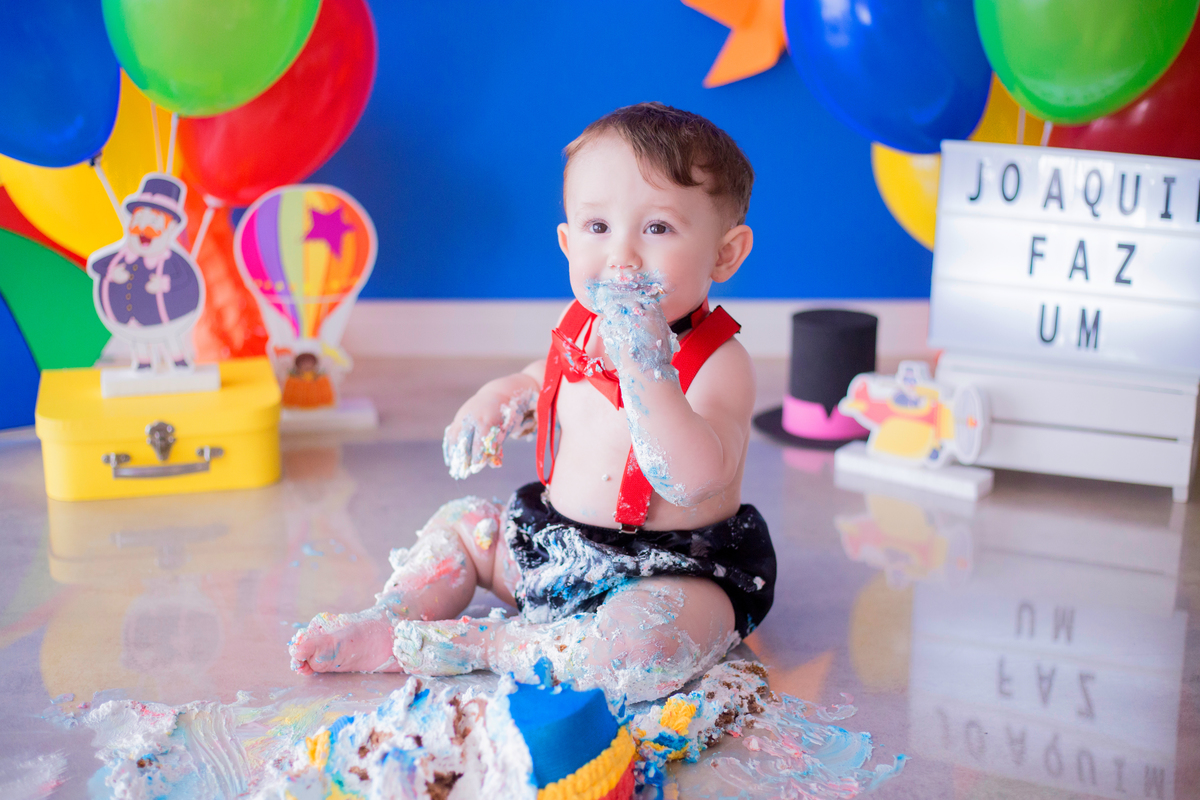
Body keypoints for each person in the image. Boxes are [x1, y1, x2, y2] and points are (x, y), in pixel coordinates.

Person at [288, 103, 776, 704]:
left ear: (725, 255)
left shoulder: (719, 362)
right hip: (553, 549)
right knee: (465, 527)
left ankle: (483, 647)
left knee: (645, 647)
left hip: (667, 573)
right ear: (569, 243)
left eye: (657, 229)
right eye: (598, 229)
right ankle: (393, 618)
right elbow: (537, 378)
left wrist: (649, 369)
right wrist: (498, 401)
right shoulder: (578, 327)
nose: (622, 256)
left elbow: (695, 479)